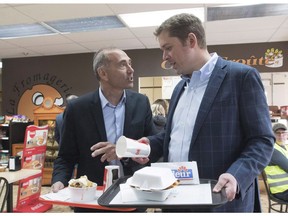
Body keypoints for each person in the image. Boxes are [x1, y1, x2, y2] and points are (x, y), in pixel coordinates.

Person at [134, 13, 275, 212]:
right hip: (174, 198)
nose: (164, 57)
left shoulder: (241, 77)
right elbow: (174, 136)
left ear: (191, 40)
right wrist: (149, 146)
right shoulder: (179, 88)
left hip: (220, 199)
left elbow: (262, 140)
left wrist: (237, 174)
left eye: (168, 48)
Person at [51, 47, 157, 212]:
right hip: (91, 198)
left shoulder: (141, 103)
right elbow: (66, 156)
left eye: (130, 63)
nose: (131, 70)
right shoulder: (78, 108)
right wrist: (59, 181)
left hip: (133, 195)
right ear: (103, 73)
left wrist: (124, 151)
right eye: (123, 65)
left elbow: (151, 146)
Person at [264, 123, 288, 201]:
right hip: (281, 191)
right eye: (278, 133)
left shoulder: (285, 147)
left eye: (283, 133)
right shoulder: (273, 150)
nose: (281, 135)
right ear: (273, 135)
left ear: (286, 134)